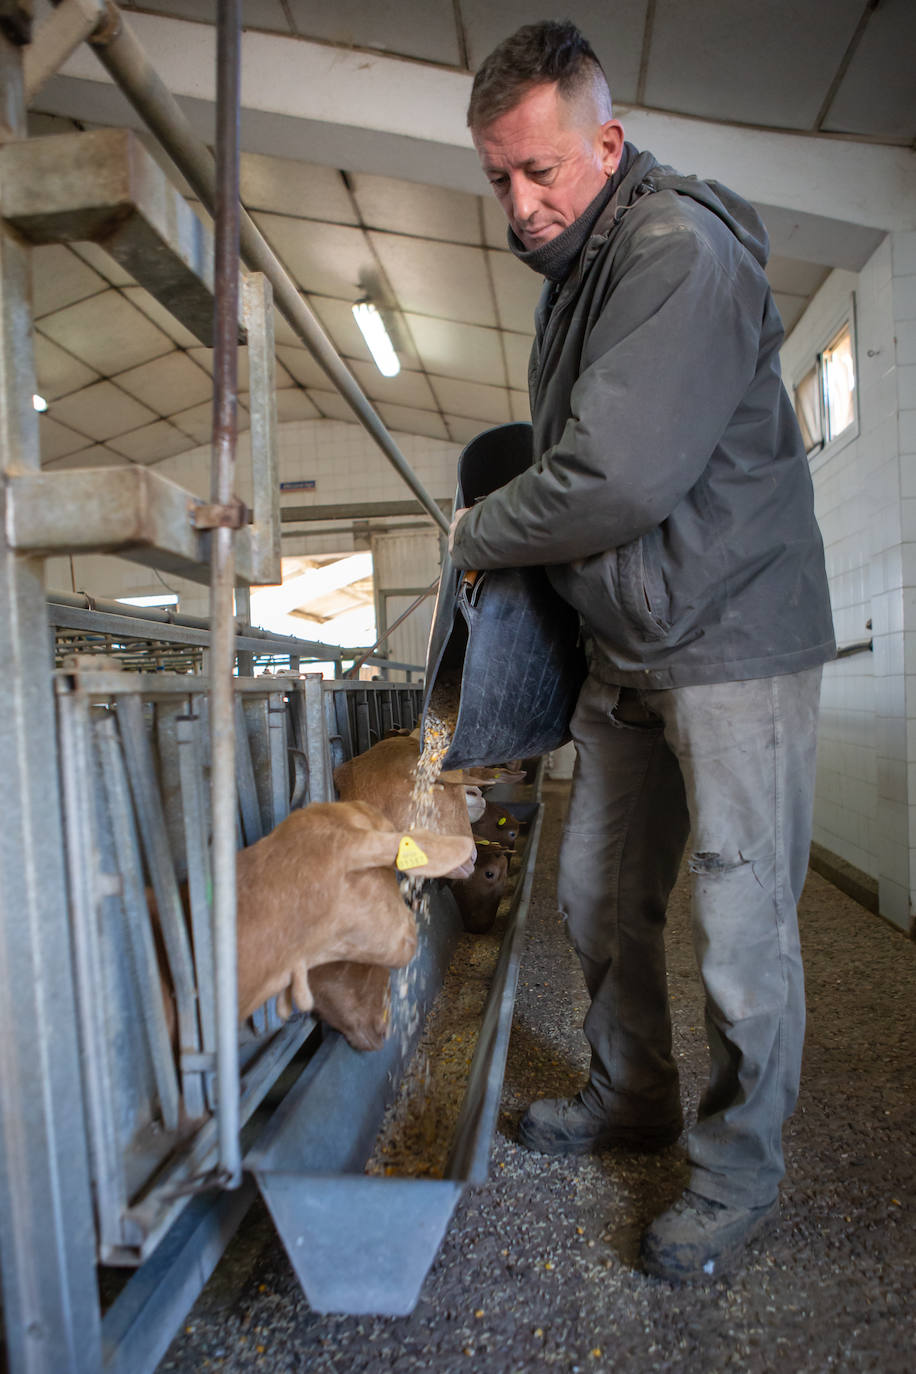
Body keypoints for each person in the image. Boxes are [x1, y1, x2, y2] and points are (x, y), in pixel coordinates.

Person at [448, 20, 835, 1282]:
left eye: (542, 169)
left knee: (739, 920)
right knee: (600, 896)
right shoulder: (580, 276)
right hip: (628, 641)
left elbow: (609, 480)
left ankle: (735, 1171)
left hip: (729, 636)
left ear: (603, 144)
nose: (520, 201)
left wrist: (475, 532)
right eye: (499, 176)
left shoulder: (674, 250)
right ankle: (632, 1098)